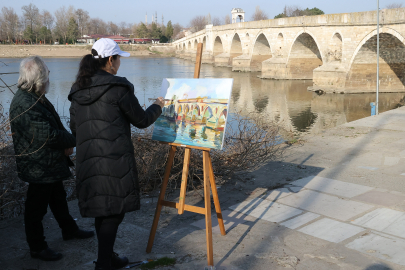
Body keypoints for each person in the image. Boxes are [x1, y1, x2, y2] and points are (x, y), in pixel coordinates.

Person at [68, 38, 164, 270]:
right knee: (113, 213)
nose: (119, 63)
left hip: (89, 161)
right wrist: (159, 105)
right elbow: (141, 120)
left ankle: (107, 257)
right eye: (118, 59)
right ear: (111, 60)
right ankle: (104, 264)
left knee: (104, 210)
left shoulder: (77, 90)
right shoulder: (117, 88)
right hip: (114, 161)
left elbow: (74, 129)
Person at [9, 56, 94, 261]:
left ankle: (69, 230)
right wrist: (72, 140)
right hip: (39, 165)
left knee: (58, 198)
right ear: (39, 77)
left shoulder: (34, 96)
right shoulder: (25, 104)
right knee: (35, 208)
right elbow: (48, 135)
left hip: (47, 162)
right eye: (47, 72)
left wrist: (66, 143)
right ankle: (37, 247)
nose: (50, 76)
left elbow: (54, 124)